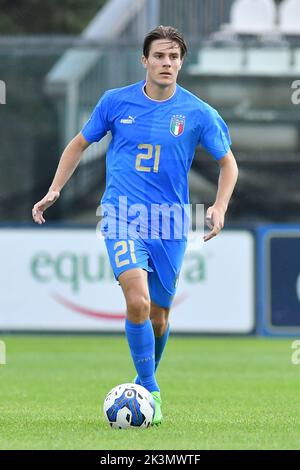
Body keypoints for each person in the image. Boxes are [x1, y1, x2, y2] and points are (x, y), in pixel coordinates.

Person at [32, 25, 238, 425]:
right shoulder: (115, 102)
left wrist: (219, 205)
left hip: (170, 224)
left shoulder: (197, 112)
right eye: (159, 56)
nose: (167, 63)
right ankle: (151, 391)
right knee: (137, 301)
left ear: (182, 62)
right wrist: (56, 189)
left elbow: (227, 163)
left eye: (174, 57)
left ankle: (145, 382)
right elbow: (79, 143)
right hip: (121, 216)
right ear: (144, 60)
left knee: (159, 315)